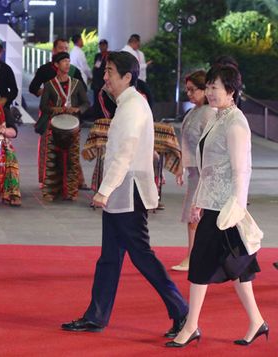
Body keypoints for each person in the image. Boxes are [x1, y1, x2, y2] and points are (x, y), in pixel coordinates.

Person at [62, 51, 188, 338]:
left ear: (127, 77)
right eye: (105, 71)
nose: (104, 77)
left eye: (109, 72)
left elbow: (125, 153)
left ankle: (182, 311)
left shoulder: (132, 107)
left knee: (142, 256)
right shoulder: (128, 104)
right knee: (109, 258)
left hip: (127, 192)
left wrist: (104, 191)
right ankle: (96, 316)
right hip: (122, 191)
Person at [166, 65, 267, 348]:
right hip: (212, 203)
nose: (209, 92)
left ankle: (191, 326)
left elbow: (242, 171)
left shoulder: (235, 123)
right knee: (239, 268)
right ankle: (257, 321)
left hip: (225, 209)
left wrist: (236, 208)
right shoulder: (217, 117)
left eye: (215, 87)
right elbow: (207, 166)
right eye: (208, 86)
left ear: (231, 91)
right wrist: (198, 198)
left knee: (199, 264)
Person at [171, 71, 214, 272]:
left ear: (205, 90)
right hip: (196, 172)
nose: (188, 93)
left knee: (194, 217)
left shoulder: (208, 112)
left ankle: (193, 256)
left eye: (192, 89)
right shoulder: (195, 111)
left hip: (205, 173)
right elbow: (187, 145)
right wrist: (182, 165)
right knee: (195, 217)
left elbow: (210, 147)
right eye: (186, 89)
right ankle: (195, 256)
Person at [36, 52, 89, 201]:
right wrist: (54, 109)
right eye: (64, 61)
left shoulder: (77, 84)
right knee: (52, 159)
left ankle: (71, 192)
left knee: (72, 159)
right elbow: (43, 106)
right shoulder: (49, 85)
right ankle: (50, 191)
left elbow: (86, 103)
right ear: (56, 65)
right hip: (54, 127)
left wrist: (78, 109)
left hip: (73, 127)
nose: (67, 64)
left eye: (68, 61)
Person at [91, 39, 109, 113]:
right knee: (96, 100)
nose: (102, 47)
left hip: (104, 81)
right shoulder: (98, 56)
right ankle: (96, 114)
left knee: (104, 100)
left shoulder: (109, 55)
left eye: (103, 45)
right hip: (96, 82)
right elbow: (95, 68)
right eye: (100, 45)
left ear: (107, 46)